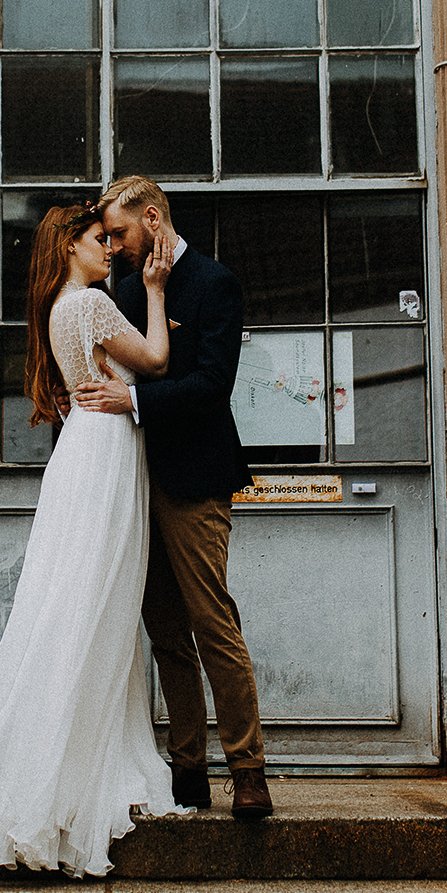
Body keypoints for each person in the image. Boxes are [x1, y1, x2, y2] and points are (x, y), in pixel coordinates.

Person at [0, 202, 188, 875]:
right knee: (97, 605)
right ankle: (76, 765)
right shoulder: (88, 303)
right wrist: (151, 292)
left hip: (83, 451)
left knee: (76, 604)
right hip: (107, 447)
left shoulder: (60, 309)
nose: (110, 249)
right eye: (98, 240)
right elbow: (154, 358)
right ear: (69, 247)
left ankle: (72, 752)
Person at [69, 175, 270, 821]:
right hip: (130, 483)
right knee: (164, 633)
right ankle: (189, 769)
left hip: (196, 478)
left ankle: (248, 768)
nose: (113, 243)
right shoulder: (123, 290)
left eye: (120, 231)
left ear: (152, 219)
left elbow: (212, 384)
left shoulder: (216, 283)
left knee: (213, 622)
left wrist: (132, 399)